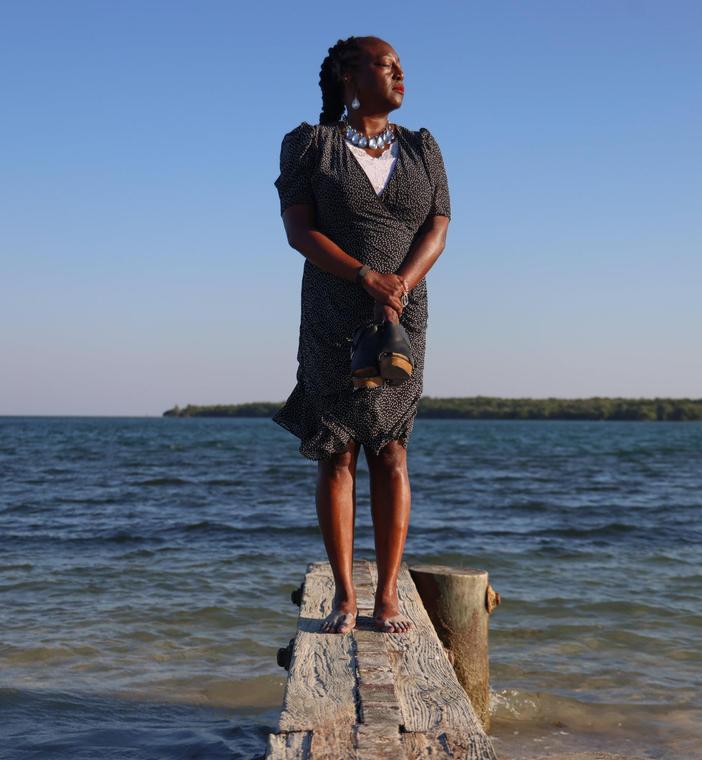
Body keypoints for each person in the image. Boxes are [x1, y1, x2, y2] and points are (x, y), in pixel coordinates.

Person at [272, 36, 451, 635]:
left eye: (403, 65)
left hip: (403, 311)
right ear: (351, 75)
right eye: (387, 65)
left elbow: (439, 227)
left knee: (392, 449)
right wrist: (362, 275)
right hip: (332, 310)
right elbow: (299, 231)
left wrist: (398, 280)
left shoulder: (424, 148)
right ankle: (347, 597)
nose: (400, 74)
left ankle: (390, 598)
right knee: (337, 451)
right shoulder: (310, 145)